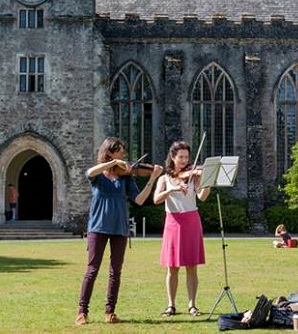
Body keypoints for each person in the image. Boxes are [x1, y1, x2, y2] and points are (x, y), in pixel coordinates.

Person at [75, 137, 163, 326]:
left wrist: (153, 179)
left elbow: (139, 200)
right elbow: (89, 172)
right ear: (110, 152)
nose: (124, 155)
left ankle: (110, 312)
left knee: (116, 272)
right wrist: (112, 163)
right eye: (120, 152)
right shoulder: (98, 175)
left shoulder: (125, 177)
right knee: (92, 270)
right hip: (98, 227)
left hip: (119, 228)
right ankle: (82, 312)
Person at [153, 140, 211, 317]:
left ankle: (192, 305)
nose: (185, 160)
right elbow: (156, 199)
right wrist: (173, 189)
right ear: (172, 157)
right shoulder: (164, 178)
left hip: (192, 220)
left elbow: (201, 197)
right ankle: (171, 305)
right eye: (181, 157)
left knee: (192, 266)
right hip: (173, 222)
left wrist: (208, 181)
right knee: (172, 267)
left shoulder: (194, 176)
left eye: (187, 157)